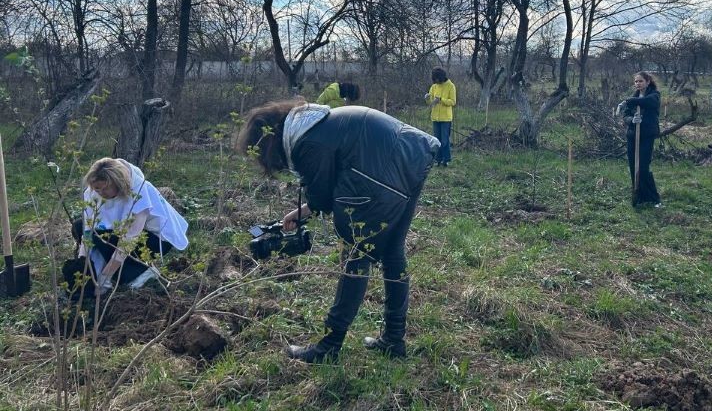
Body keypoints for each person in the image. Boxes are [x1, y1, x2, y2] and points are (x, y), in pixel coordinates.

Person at [237, 99, 439, 363]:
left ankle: (328, 347)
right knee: (392, 252)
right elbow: (331, 180)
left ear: (268, 143)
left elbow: (322, 194)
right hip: (412, 155)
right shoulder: (312, 123)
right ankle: (393, 340)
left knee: (355, 257)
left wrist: (306, 210)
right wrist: (302, 212)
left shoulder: (304, 143)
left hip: (383, 172)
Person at [74, 157, 189, 293]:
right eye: (97, 190)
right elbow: (87, 229)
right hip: (124, 232)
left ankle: (141, 273)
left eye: (104, 189)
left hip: (157, 240)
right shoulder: (94, 190)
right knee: (78, 225)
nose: (100, 193)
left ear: (118, 183)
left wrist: (105, 276)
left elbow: (129, 239)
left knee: (102, 236)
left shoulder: (138, 192)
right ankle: (113, 268)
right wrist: (83, 263)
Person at [617, 72, 662, 208]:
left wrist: (627, 101)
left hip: (647, 136)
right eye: (636, 81)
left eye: (640, 81)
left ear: (648, 82)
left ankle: (654, 199)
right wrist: (632, 120)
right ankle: (639, 195)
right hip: (632, 136)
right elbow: (625, 116)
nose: (637, 84)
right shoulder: (634, 96)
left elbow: (649, 103)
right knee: (633, 167)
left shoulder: (654, 95)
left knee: (643, 167)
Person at [426, 67, 456, 166]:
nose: (436, 81)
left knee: (444, 140)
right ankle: (437, 160)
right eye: (434, 80)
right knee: (436, 140)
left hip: (446, 118)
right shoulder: (434, 87)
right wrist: (427, 98)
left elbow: (453, 101)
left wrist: (441, 100)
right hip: (435, 117)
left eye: (437, 79)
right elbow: (430, 103)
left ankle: (446, 160)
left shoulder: (450, 86)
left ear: (441, 77)